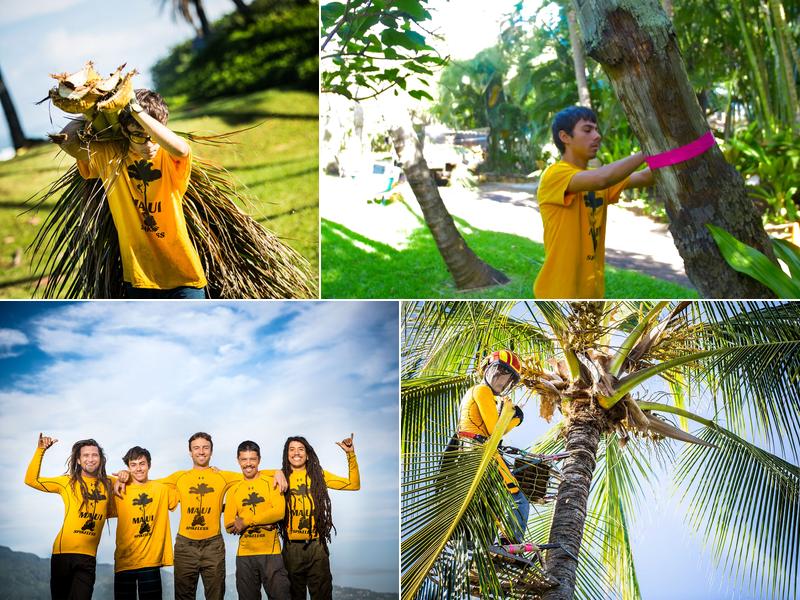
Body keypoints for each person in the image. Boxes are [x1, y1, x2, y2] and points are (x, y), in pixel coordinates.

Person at [58, 87, 207, 299]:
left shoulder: (169, 158)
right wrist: (92, 110)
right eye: (138, 135)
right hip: (139, 278)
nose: (149, 144)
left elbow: (182, 150)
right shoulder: (110, 156)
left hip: (184, 277)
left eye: (153, 135)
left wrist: (136, 110)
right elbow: (67, 141)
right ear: (125, 131)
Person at [115, 432, 286, 600]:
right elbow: (146, 482)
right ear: (190, 452)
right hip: (185, 546)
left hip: (213, 546)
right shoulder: (179, 477)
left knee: (215, 595)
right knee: (183, 596)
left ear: (211, 451)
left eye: (205, 447)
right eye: (196, 448)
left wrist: (276, 472)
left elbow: (250, 473)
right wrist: (126, 475)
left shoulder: (222, 476)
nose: (201, 451)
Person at [534, 106, 655, 299]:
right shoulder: (554, 175)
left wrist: (681, 152)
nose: (597, 136)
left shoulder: (594, 178)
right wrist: (649, 148)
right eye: (588, 130)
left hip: (592, 294)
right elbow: (602, 179)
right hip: (557, 292)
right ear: (565, 137)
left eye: (596, 130)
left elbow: (645, 177)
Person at [24, 433, 115, 600]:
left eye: (95, 455)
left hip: (88, 558)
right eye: (85, 455)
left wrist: (125, 474)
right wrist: (40, 450)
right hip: (62, 554)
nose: (90, 458)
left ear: (100, 459)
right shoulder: (67, 481)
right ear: (78, 460)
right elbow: (31, 480)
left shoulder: (109, 483)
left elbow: (132, 488)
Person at [455, 350, 528, 543]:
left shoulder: (475, 393)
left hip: (471, 451)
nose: (501, 382)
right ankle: (511, 541)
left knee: (487, 502)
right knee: (518, 498)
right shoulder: (482, 390)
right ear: (487, 370)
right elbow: (494, 429)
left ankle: (482, 541)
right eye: (499, 374)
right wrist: (516, 420)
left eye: (506, 380)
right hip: (482, 450)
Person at [281, 434, 360, 600]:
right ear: (286, 454)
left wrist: (350, 454)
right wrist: (212, 470)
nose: (296, 453)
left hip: (317, 547)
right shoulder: (279, 475)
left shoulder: (319, 475)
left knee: (323, 596)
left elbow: (354, 484)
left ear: (308, 454)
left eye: (301, 449)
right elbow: (248, 474)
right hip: (291, 549)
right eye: (292, 449)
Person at [224, 441, 291, 600]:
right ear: (238, 460)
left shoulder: (272, 482)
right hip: (245, 556)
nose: (248, 464)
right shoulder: (234, 490)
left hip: (271, 555)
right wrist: (265, 520)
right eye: (244, 459)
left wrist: (246, 521)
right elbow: (228, 525)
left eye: (252, 459)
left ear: (259, 460)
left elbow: (279, 513)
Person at [111, 446, 179, 600]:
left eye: (142, 463)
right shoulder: (119, 489)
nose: (138, 468)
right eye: (133, 465)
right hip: (124, 562)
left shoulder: (161, 489)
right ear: (128, 467)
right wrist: (122, 476)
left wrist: (210, 470)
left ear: (149, 465)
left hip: (151, 562)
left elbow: (183, 482)